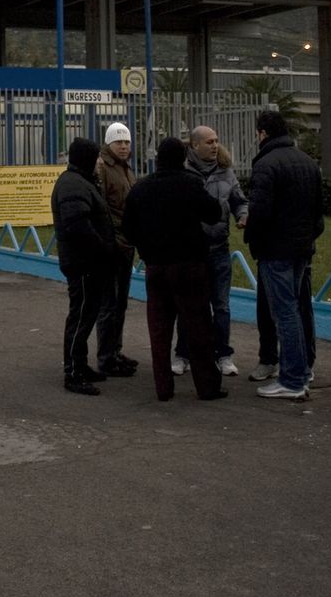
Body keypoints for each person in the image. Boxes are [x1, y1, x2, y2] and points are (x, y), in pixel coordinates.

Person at [123, 136, 226, 401]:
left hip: (156, 267)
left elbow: (128, 230)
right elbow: (213, 213)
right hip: (190, 266)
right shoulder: (190, 184)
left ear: (158, 159)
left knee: (159, 330)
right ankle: (207, 387)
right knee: (198, 327)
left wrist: (147, 249)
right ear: (183, 158)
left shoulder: (141, 189)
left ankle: (163, 388)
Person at [244, 110, 323, 401]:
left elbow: (260, 212)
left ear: (262, 133)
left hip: (275, 249)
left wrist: (251, 236)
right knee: (300, 309)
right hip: (302, 248)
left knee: (285, 312)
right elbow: (318, 215)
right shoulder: (307, 163)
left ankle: (292, 380)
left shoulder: (265, 165)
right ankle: (303, 370)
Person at [177, 125, 249, 378]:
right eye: (209, 142)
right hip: (192, 251)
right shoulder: (184, 173)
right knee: (188, 306)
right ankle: (183, 354)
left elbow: (239, 200)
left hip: (219, 249)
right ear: (195, 146)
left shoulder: (226, 173)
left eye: (216, 141)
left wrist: (243, 215)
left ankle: (224, 354)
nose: (215, 145)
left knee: (221, 305)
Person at [51, 136, 120, 396]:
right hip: (83, 264)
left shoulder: (80, 181)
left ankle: (80, 364)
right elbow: (78, 225)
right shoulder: (72, 185)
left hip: (88, 262)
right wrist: (104, 248)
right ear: (88, 159)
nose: (100, 162)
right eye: (96, 158)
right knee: (80, 317)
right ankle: (73, 372)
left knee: (87, 314)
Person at [94, 121, 139, 377]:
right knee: (108, 304)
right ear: (109, 144)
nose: (123, 146)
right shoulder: (102, 168)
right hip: (112, 245)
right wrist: (110, 240)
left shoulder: (125, 168)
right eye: (119, 142)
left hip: (126, 243)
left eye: (126, 142)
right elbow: (101, 209)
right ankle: (105, 357)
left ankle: (115, 350)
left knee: (120, 302)